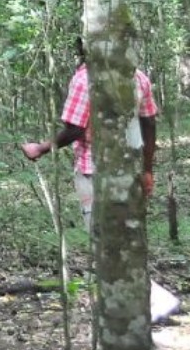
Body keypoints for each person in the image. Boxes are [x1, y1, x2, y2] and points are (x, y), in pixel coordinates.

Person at [20, 38, 179, 321]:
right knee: (128, 238)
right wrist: (147, 169)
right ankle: (133, 303)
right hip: (130, 170)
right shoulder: (137, 76)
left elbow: (74, 129)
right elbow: (150, 124)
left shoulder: (85, 79)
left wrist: (41, 148)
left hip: (95, 171)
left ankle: (150, 300)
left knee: (104, 242)